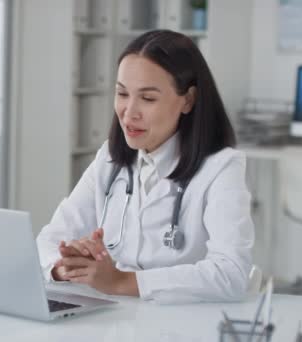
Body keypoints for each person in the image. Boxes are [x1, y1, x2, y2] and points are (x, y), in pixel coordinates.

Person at [36, 29, 254, 304]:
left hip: (182, 325)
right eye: (122, 94)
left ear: (188, 100)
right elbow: (49, 240)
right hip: (115, 320)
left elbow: (231, 275)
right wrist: (66, 265)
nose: (129, 112)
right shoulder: (110, 159)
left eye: (148, 98)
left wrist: (121, 281)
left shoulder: (221, 168)